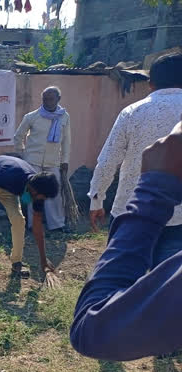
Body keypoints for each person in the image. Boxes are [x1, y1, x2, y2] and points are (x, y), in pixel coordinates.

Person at [70, 121, 182, 372]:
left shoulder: (134, 112)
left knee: (141, 300)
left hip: (149, 210)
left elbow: (94, 327)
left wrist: (97, 197)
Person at [88, 52, 182, 267]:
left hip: (132, 212)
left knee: (123, 285)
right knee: (168, 291)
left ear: (150, 83)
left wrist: (96, 199)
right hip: (178, 219)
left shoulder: (132, 112)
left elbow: (108, 160)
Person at [13, 85, 71, 231]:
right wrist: (22, 155)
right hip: (33, 160)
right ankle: (33, 224)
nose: (47, 102)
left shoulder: (64, 116)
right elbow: (18, 137)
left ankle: (57, 224)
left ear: (58, 99)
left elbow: (66, 141)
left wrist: (65, 161)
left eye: (51, 99)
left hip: (53, 161)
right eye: (45, 99)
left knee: (55, 192)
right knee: (33, 193)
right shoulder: (32, 116)